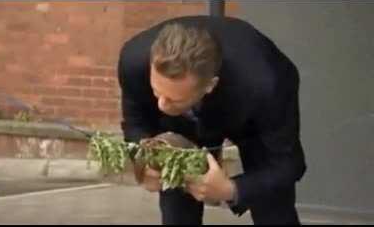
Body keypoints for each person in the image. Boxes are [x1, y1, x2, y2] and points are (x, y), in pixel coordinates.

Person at [117, 15, 307, 225]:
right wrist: (143, 159)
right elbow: (135, 123)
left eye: (173, 99)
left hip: (249, 117)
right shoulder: (133, 62)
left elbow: (289, 164)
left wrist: (231, 189)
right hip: (184, 125)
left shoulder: (267, 85)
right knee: (177, 202)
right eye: (156, 91)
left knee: (273, 206)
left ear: (210, 85)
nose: (161, 105)